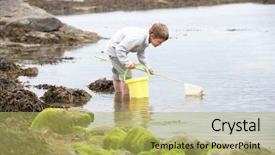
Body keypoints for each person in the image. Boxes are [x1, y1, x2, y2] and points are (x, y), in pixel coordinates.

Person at [106, 22, 169, 95]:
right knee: (127, 76)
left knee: (117, 72)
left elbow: (141, 54)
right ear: (152, 35)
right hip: (114, 50)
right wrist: (127, 63)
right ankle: (126, 99)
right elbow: (120, 49)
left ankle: (118, 97)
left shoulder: (146, 39)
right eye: (159, 42)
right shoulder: (138, 38)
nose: (160, 44)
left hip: (119, 50)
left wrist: (147, 67)